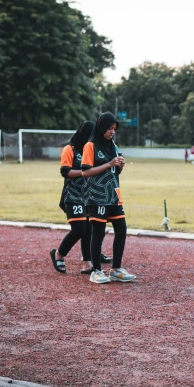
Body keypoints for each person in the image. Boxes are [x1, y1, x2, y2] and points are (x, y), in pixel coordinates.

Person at [81, 113, 136, 284]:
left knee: (122, 228)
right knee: (98, 233)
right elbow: (85, 172)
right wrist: (109, 164)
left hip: (113, 194)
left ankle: (116, 269)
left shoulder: (112, 145)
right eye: (109, 128)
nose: (112, 132)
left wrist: (119, 165)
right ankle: (96, 271)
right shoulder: (90, 146)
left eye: (114, 129)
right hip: (97, 195)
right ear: (101, 127)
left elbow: (113, 172)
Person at [49, 121, 104, 275]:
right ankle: (59, 254)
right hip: (72, 195)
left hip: (88, 196)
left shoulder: (91, 149)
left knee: (88, 230)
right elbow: (65, 171)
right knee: (79, 229)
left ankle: (87, 263)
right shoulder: (70, 149)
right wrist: (84, 172)